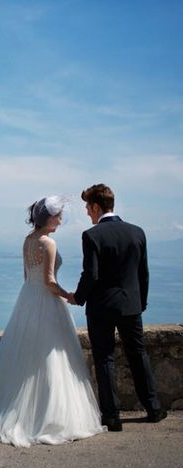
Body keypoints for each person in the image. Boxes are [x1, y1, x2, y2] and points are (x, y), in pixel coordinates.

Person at [0, 196, 105, 447]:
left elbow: (27, 276)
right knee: (49, 357)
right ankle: (48, 416)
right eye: (59, 215)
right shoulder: (48, 243)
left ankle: (20, 410)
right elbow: (49, 281)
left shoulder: (28, 240)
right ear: (48, 218)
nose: (61, 220)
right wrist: (69, 296)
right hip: (47, 302)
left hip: (28, 298)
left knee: (26, 355)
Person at [67, 184, 167, 432]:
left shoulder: (92, 236)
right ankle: (153, 408)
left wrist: (78, 298)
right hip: (131, 306)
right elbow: (143, 273)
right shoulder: (137, 232)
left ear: (97, 207)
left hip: (101, 308)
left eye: (88, 208)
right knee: (138, 354)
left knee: (104, 359)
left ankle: (111, 416)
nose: (87, 213)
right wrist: (140, 303)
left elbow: (91, 274)